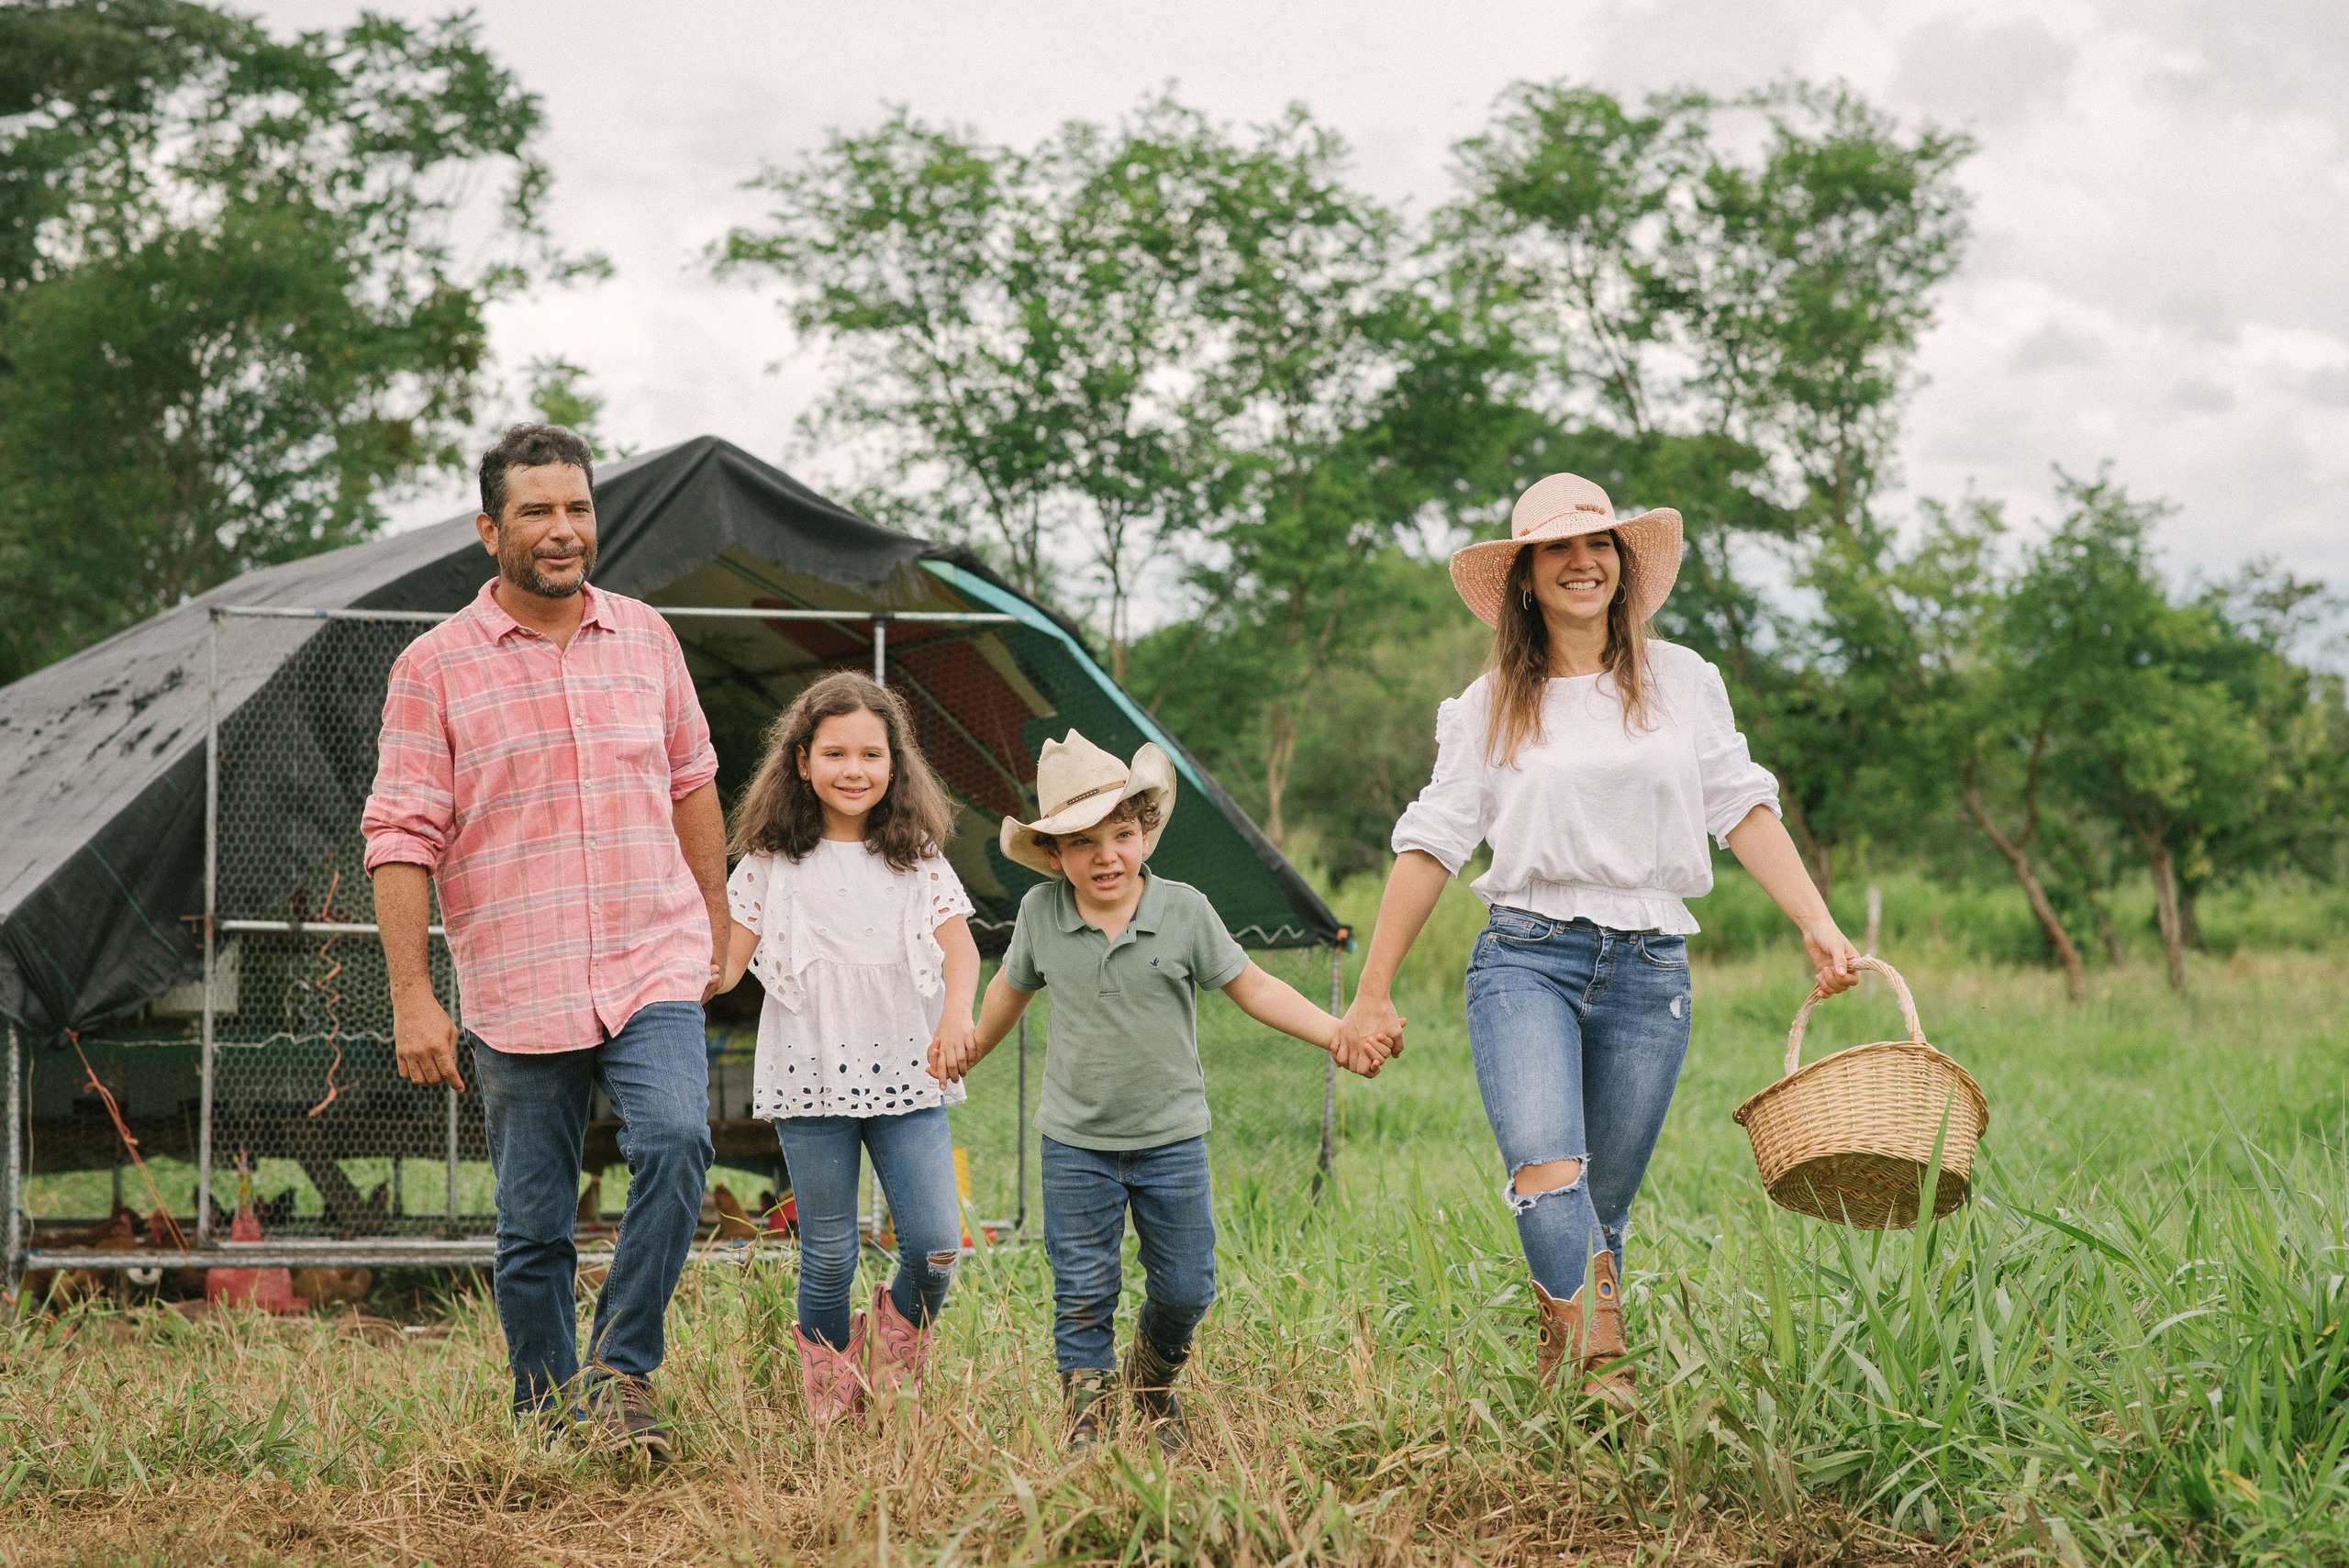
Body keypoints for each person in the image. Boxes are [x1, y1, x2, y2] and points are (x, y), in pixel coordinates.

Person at [1330, 472, 1860, 1411]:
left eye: (1599, 543)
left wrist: (1817, 923)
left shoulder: (1683, 680)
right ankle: (1609, 1377)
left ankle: (1563, 1380)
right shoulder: (1489, 701)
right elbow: (1431, 843)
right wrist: (1370, 989)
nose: (1582, 561)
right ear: (1526, 576)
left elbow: (1740, 806)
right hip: (1527, 956)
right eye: (1557, 548)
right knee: (1546, 1169)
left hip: (1650, 966)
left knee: (1600, 1208)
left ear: (1622, 564)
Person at [362, 423, 728, 1460]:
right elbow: (400, 834)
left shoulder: (647, 637)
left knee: (675, 1138)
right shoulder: (432, 668)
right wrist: (411, 994)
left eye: (577, 507)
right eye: (537, 510)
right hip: (517, 979)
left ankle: (620, 1370)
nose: (563, 530)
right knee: (533, 1226)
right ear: (490, 530)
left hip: (648, 953)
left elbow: (691, 777)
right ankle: (543, 1414)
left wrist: (718, 913)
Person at [930, 732, 1391, 1453]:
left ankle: (1149, 1384)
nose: (1105, 854)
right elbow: (1004, 995)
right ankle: (1087, 1409)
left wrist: (1336, 1032)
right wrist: (963, 1050)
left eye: (1121, 833)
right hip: (1076, 1144)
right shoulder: (1042, 916)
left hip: (1171, 1139)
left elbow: (1256, 986)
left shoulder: (1184, 911)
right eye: (1082, 842)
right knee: (1082, 1289)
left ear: (1146, 832)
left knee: (1186, 1287)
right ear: (1054, 855)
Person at [716, 671, 980, 1429]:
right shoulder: (769, 864)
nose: (854, 769)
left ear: (894, 763)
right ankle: (831, 1391)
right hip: (811, 1078)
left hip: (910, 1071)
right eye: (835, 753)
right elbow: (726, 965)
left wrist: (955, 1016)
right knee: (828, 1253)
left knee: (935, 1246)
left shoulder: (916, 856)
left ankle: (893, 1351)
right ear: (802, 761)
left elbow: (959, 951)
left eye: (871, 753)